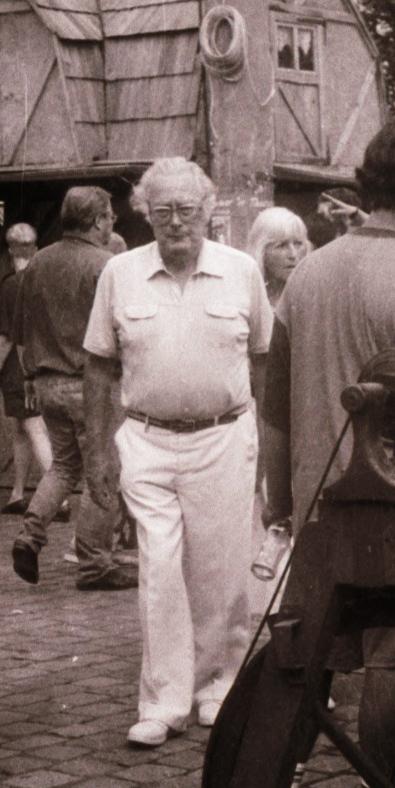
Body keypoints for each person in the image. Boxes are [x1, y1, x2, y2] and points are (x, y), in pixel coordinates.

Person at [262, 114, 395, 788]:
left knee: (307, 653)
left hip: (317, 496)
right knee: (392, 653)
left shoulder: (307, 273)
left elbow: (276, 410)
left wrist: (281, 504)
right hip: (391, 501)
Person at [84, 157, 271, 748]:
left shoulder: (242, 271)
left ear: (208, 210)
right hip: (146, 439)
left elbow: (263, 361)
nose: (174, 222)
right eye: (161, 210)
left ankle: (218, 685)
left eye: (186, 210)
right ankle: (163, 701)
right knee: (160, 570)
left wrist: (264, 442)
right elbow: (98, 364)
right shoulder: (120, 272)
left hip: (224, 436)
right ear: (144, 213)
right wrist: (98, 450)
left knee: (221, 572)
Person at [10, 186, 136, 591]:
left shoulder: (37, 262)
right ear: (99, 220)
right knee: (104, 469)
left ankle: (30, 536)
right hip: (92, 385)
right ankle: (95, 563)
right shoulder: (107, 264)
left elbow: (23, 329)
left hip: (47, 383)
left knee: (64, 466)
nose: (112, 222)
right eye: (110, 216)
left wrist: (31, 374)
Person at [0, 224, 52, 515]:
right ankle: (17, 493)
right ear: (35, 248)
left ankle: (57, 498)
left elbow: (6, 336)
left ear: (11, 249)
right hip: (43, 361)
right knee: (23, 428)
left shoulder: (11, 285)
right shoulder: (44, 280)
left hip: (18, 367)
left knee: (33, 426)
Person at [246, 206, 310, 307]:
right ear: (262, 251)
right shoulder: (246, 299)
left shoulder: (316, 297)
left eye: (298, 243)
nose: (293, 254)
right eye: (281, 245)